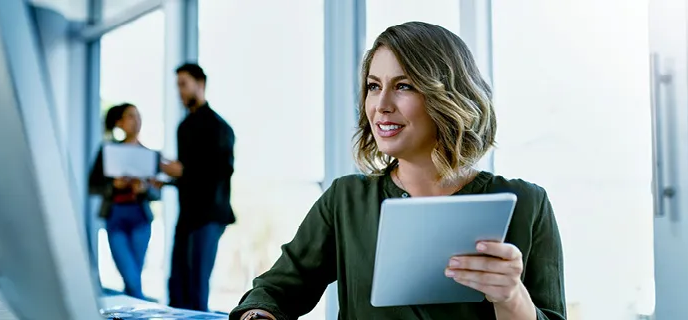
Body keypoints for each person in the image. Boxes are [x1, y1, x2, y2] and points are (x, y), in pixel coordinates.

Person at [230, 22, 566, 320]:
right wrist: (258, 316)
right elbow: (275, 292)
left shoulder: (527, 204)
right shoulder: (346, 200)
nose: (381, 105)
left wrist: (511, 297)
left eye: (403, 86)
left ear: (447, 95)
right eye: (374, 86)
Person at [161, 63, 236, 312]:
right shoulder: (183, 128)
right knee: (177, 288)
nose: (180, 91)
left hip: (209, 216)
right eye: (177, 86)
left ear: (200, 84)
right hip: (187, 217)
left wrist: (183, 171)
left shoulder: (219, 127)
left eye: (183, 84)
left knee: (196, 290)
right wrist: (168, 179)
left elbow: (222, 170)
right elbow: (187, 175)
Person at [89, 103, 161, 300]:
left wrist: (145, 189)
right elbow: (92, 186)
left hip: (141, 218)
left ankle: (133, 310)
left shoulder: (151, 155)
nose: (136, 120)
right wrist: (114, 186)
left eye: (138, 116)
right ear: (119, 122)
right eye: (130, 116)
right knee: (131, 277)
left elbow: (158, 193)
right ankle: (139, 306)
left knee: (134, 276)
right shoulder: (107, 152)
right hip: (116, 217)